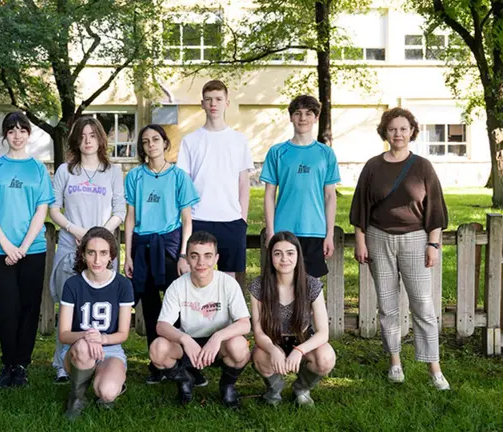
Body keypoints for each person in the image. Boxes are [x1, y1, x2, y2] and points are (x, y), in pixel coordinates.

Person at [349, 107, 450, 390]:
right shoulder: (372, 166)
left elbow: (435, 210)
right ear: (385, 132)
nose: (398, 134)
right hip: (379, 239)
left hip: (416, 239)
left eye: (403, 129)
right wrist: (360, 240)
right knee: (388, 305)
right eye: (393, 129)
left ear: (412, 132)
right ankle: (395, 361)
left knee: (423, 305)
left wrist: (433, 244)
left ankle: (434, 367)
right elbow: (360, 208)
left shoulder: (423, 166)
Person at [0, 111, 55, 388]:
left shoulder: (37, 169)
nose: (17, 135)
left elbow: (41, 210)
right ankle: (8, 362)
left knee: (28, 308)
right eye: (11, 131)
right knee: (5, 307)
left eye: (22, 130)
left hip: (32, 250)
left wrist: (22, 247)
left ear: (29, 134)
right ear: (5, 136)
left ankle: (22, 364)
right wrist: (7, 245)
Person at [49, 117, 126, 383]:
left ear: (100, 139)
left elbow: (120, 211)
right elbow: (53, 209)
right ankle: (62, 363)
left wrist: (99, 238)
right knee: (68, 304)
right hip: (71, 246)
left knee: (101, 305)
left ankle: (104, 355)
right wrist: (75, 230)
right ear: (75, 140)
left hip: (102, 251)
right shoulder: (65, 171)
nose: (87, 140)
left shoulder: (113, 171)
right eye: (82, 136)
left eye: (92, 135)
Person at [124, 124, 200, 384]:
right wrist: (128, 255)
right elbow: (130, 217)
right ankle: (157, 363)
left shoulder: (179, 176)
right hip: (142, 246)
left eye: (156, 139)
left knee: (178, 308)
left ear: (165, 143)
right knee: (151, 309)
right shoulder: (134, 177)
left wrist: (183, 256)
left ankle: (187, 362)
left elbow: (187, 220)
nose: (151, 144)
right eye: (145, 141)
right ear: (142, 147)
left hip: (168, 246)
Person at [149, 231, 251, 408]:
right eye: (194, 256)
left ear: (216, 258)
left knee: (240, 346)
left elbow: (244, 323)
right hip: (189, 345)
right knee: (158, 349)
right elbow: (162, 326)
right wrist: (185, 339)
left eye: (207, 256)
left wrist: (218, 337)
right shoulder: (178, 285)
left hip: (220, 345)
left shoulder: (228, 283)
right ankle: (185, 380)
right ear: (187, 258)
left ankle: (227, 386)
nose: (201, 262)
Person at [176, 79, 254, 280]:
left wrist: (242, 220)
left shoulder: (239, 140)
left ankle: (227, 314)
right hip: (198, 219)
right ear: (202, 104)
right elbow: (184, 186)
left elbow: (244, 184)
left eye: (218, 99)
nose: (213, 104)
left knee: (229, 280)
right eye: (208, 100)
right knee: (198, 277)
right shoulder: (190, 141)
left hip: (231, 220)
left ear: (227, 103)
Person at [249, 232, 337, 407]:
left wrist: (299, 350)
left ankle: (301, 388)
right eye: (277, 253)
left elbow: (323, 333)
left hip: (303, 339)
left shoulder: (311, 285)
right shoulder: (259, 285)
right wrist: (272, 349)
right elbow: (258, 332)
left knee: (326, 358)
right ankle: (274, 389)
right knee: (259, 356)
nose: (284, 259)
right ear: (271, 257)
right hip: (272, 341)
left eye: (290, 253)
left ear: (298, 256)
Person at [260, 95, 340, 278]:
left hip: (315, 230)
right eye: (298, 113)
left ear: (316, 118)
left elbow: (330, 196)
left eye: (308, 113)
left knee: (311, 288)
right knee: (283, 286)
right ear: (291, 117)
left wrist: (329, 234)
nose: (303, 118)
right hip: (284, 230)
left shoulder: (326, 153)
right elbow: (269, 195)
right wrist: (271, 231)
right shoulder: (277, 152)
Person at [58, 227, 134, 420]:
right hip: (78, 351)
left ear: (112, 256)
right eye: (91, 253)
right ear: (83, 255)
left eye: (103, 253)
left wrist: (102, 338)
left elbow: (123, 334)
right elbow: (64, 334)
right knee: (84, 348)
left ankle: (107, 381)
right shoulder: (73, 284)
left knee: (107, 392)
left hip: (110, 349)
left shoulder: (123, 285)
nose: (97, 260)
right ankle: (77, 398)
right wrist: (88, 337)